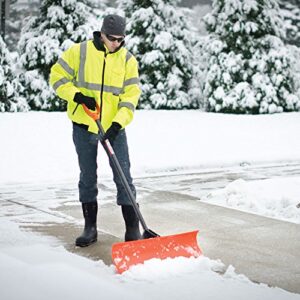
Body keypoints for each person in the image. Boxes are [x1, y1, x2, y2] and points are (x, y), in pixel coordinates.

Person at [50, 14, 142, 247]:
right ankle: (90, 228)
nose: (116, 44)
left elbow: (131, 97)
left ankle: (133, 230)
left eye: (121, 39)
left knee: (124, 177)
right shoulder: (79, 52)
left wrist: (118, 123)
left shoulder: (128, 60)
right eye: (112, 38)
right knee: (88, 177)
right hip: (84, 125)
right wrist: (77, 96)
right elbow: (57, 77)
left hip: (114, 129)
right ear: (101, 33)